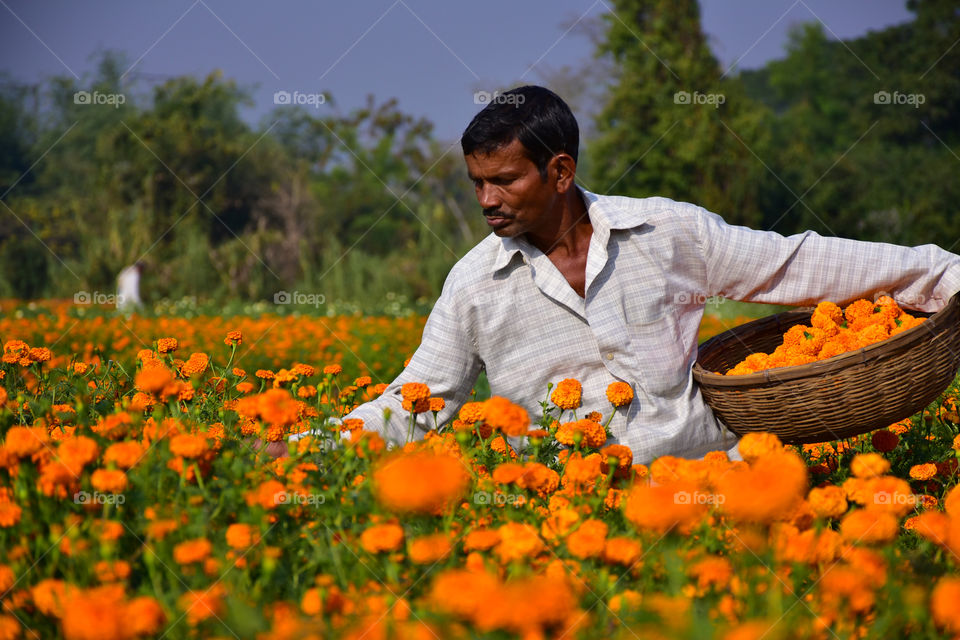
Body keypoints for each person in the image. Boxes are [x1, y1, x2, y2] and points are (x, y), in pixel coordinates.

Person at [288, 85, 960, 465]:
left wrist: (942, 275)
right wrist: (302, 446)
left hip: (709, 487)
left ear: (559, 173)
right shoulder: (474, 284)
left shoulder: (664, 233)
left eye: (503, 180)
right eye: (476, 184)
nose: (486, 200)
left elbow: (799, 262)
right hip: (575, 514)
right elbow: (415, 400)